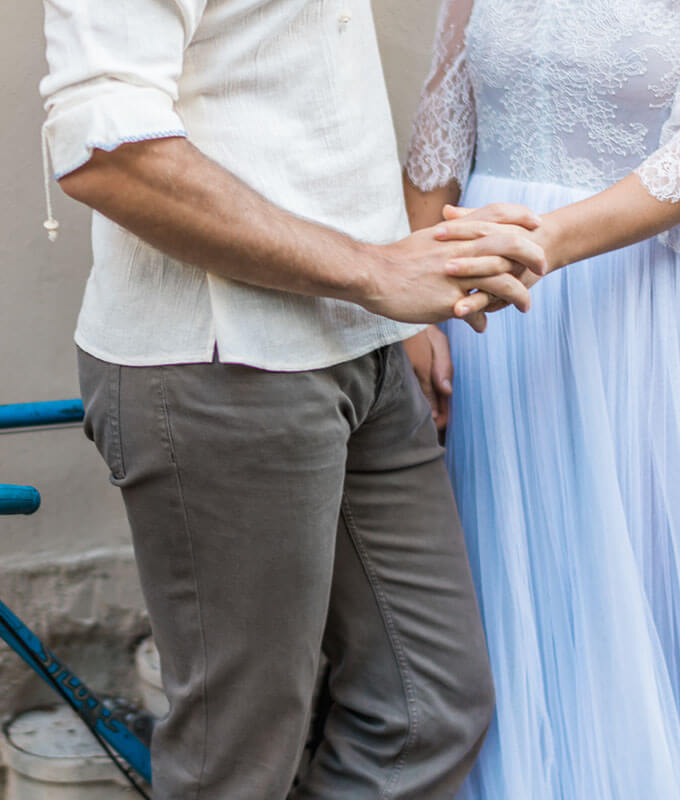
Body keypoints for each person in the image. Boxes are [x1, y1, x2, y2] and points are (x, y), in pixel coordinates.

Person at [39, 0, 549, 797]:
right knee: (238, 768)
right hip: (224, 357)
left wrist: (392, 291)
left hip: (365, 342)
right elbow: (106, 151)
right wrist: (377, 271)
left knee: (427, 711)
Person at [404, 1, 680, 797]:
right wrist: (417, 310)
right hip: (482, 316)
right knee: (500, 582)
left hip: (628, 306)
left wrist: (543, 242)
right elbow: (440, 132)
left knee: (629, 569)